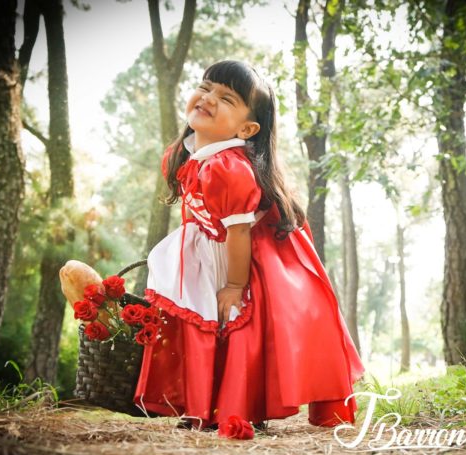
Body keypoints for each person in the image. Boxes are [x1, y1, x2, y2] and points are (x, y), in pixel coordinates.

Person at [133, 60, 365, 431]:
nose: (208, 98)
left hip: (246, 258)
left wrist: (236, 285)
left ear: (247, 128)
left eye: (226, 97)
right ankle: (202, 406)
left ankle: (237, 406)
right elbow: (195, 213)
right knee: (202, 319)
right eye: (206, 87)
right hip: (209, 246)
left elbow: (239, 233)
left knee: (238, 323)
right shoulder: (186, 155)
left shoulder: (229, 168)